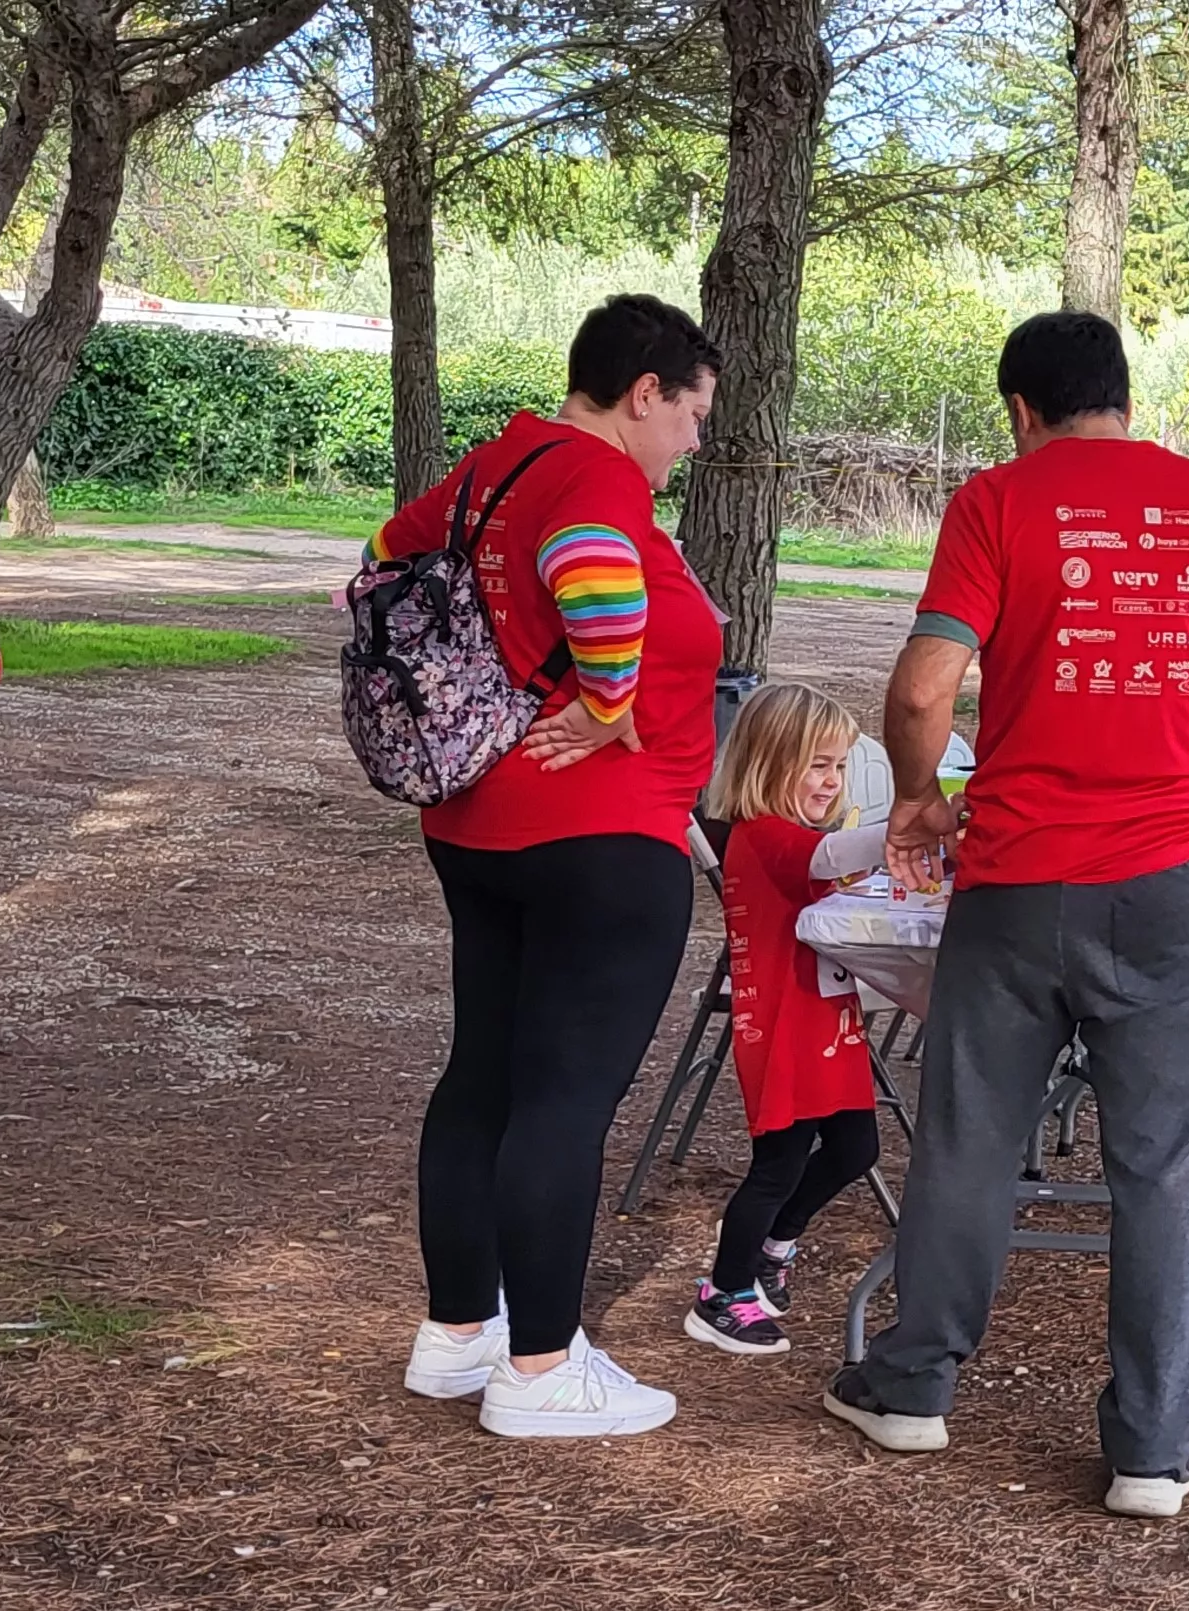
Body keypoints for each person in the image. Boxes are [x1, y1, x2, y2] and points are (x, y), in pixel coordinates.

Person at [822, 312, 1189, 1520]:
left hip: (1023, 878)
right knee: (1168, 1169)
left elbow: (923, 687)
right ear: (1125, 402)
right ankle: (1151, 1449)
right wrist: (1183, 635)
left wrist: (925, 799)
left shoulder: (998, 500)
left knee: (973, 1139)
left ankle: (913, 1387)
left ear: (1021, 412)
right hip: (1183, 882)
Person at [389, 294, 724, 1439]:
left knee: (481, 1077)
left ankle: (457, 1336)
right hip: (597, 832)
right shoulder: (594, 478)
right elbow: (595, 575)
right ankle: (539, 1371)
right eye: (690, 416)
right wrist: (604, 698)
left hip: (478, 819)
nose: (690, 443)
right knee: (563, 1101)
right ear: (646, 394)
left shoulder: (498, 462)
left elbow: (385, 555)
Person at [682, 684, 891, 1359]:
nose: (831, 782)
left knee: (856, 1147)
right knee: (774, 1165)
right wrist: (913, 824)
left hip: (826, 1019)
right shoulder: (765, 835)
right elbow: (828, 862)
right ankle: (722, 1290)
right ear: (770, 764)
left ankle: (776, 1241)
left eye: (838, 766)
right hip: (782, 1029)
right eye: (818, 766)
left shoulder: (796, 837)